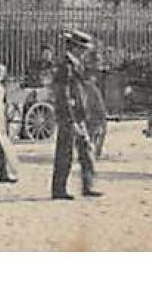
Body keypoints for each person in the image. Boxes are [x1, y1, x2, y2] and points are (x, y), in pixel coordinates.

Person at [51, 29, 101, 200]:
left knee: (86, 150)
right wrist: (70, 118)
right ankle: (59, 190)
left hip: (78, 114)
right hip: (69, 115)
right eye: (83, 49)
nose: (85, 53)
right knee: (65, 153)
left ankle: (88, 186)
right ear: (76, 48)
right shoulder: (65, 66)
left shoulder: (75, 64)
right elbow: (63, 94)